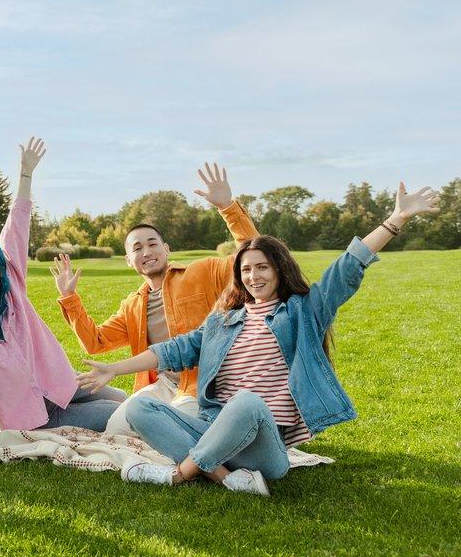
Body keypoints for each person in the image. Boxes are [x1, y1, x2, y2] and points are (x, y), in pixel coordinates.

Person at [78, 182, 439, 496]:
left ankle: (177, 476)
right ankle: (224, 477)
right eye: (246, 270)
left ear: (279, 269)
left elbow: (347, 267)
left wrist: (396, 220)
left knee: (247, 402)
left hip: (263, 444)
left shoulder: (302, 311)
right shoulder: (222, 322)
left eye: (262, 267)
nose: (253, 276)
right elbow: (171, 350)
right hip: (213, 429)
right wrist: (114, 368)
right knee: (142, 407)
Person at [57, 163, 258, 436]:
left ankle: (210, 431)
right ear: (130, 261)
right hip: (164, 385)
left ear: (166, 249)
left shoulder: (203, 271)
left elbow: (253, 256)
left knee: (172, 428)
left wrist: (228, 208)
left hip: (205, 384)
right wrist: (70, 298)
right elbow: (96, 343)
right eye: (137, 248)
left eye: (153, 244)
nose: (147, 251)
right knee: (117, 430)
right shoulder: (133, 305)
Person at [0, 138, 125, 438]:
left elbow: (17, 228)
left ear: (1, 270)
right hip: (32, 416)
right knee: (123, 417)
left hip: (61, 386)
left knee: (125, 400)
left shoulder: (11, 288)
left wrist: (26, 174)